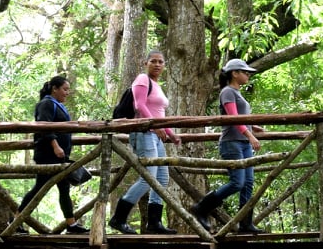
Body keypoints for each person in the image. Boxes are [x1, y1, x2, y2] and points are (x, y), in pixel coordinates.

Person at [190, 59, 265, 234]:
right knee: (237, 182)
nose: (248, 75)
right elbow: (233, 118)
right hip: (231, 142)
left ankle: (245, 223)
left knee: (248, 184)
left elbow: (241, 118)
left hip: (244, 142)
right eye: (245, 72)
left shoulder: (238, 93)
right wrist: (250, 135)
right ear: (234, 73)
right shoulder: (227, 92)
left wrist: (252, 127)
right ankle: (202, 207)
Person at [111, 50, 179, 235]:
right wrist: (154, 126)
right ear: (145, 63)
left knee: (162, 178)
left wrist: (170, 134)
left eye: (161, 62)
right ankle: (119, 218)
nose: (157, 65)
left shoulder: (157, 86)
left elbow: (159, 114)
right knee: (148, 178)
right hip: (143, 133)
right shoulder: (142, 79)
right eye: (153, 61)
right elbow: (139, 105)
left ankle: (154, 222)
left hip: (155, 135)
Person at [23, 74, 88, 234]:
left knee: (64, 188)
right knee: (39, 188)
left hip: (59, 156)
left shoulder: (57, 105)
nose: (67, 93)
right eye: (65, 89)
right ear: (55, 89)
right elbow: (43, 126)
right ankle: (16, 218)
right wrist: (56, 146)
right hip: (47, 155)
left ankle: (71, 225)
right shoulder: (46, 104)